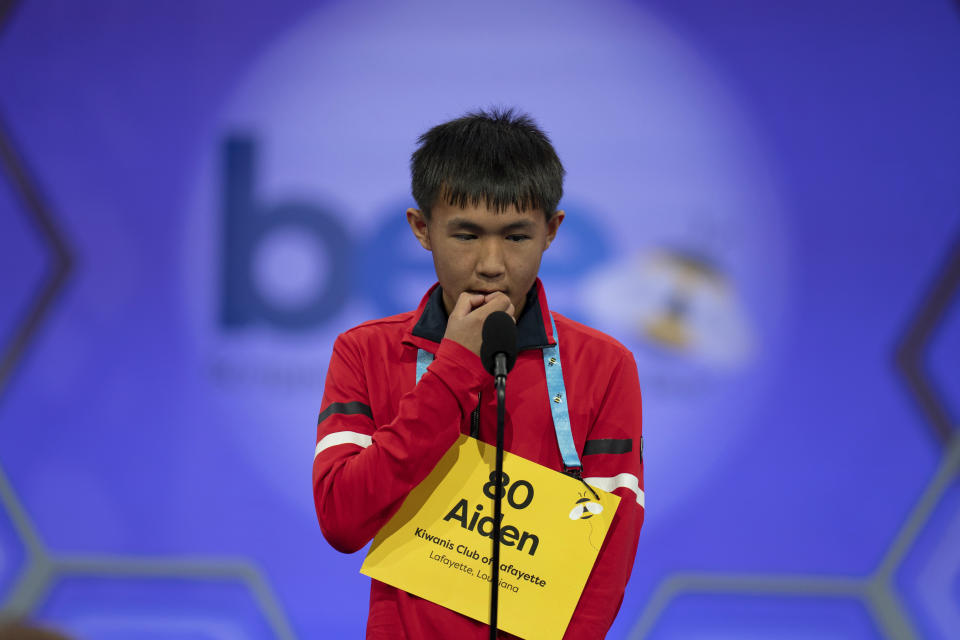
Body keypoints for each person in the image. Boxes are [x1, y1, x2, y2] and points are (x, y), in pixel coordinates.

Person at [312, 108, 644, 639]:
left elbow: (608, 549)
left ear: (552, 231)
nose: (491, 264)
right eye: (466, 235)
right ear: (422, 229)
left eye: (516, 237)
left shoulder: (605, 366)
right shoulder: (365, 352)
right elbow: (342, 520)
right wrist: (454, 371)